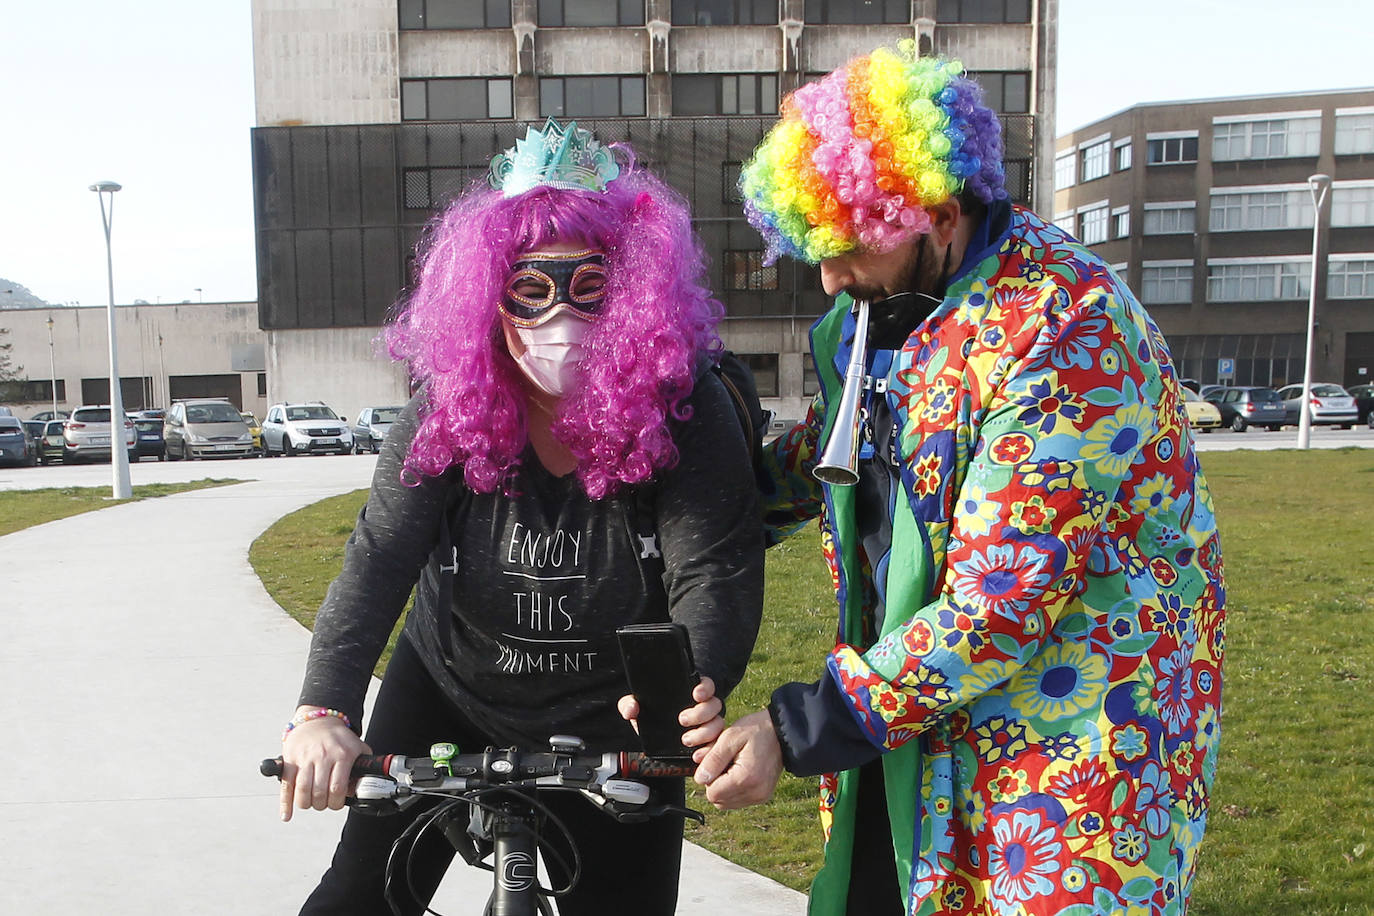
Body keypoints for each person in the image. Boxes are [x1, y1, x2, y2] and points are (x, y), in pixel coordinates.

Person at [694, 45, 1226, 916]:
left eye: (847, 247)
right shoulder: (891, 312)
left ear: (935, 215)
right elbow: (852, 457)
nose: (829, 278)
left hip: (1075, 758)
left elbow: (999, 601)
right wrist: (706, 493)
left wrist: (795, 730)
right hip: (917, 728)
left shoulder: (1067, 329)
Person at [275, 118, 764, 916]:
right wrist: (323, 711)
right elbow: (378, 560)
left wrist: (698, 679)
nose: (557, 319)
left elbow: (714, 564)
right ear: (486, 298)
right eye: (529, 291)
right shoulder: (447, 408)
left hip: (621, 718)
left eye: (589, 288)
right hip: (449, 690)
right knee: (356, 899)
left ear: (634, 293)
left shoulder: (687, 407)